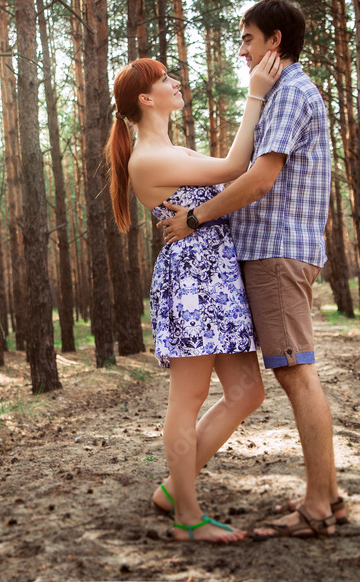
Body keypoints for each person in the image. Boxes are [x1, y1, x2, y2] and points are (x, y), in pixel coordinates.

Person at [158, 0, 344, 538]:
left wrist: (195, 217)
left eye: (247, 39)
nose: (242, 51)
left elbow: (261, 179)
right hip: (274, 249)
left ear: (274, 42)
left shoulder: (288, 93)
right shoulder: (285, 93)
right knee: (291, 370)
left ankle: (315, 507)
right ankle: (328, 497)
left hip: (277, 251)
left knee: (294, 370)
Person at [104, 53, 282, 543]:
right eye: (166, 79)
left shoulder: (169, 148)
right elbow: (236, 166)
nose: (176, 82)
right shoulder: (149, 157)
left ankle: (171, 490)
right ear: (146, 98)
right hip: (192, 280)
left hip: (217, 275)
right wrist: (255, 94)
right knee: (190, 396)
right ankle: (187, 514)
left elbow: (234, 179)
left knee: (247, 392)